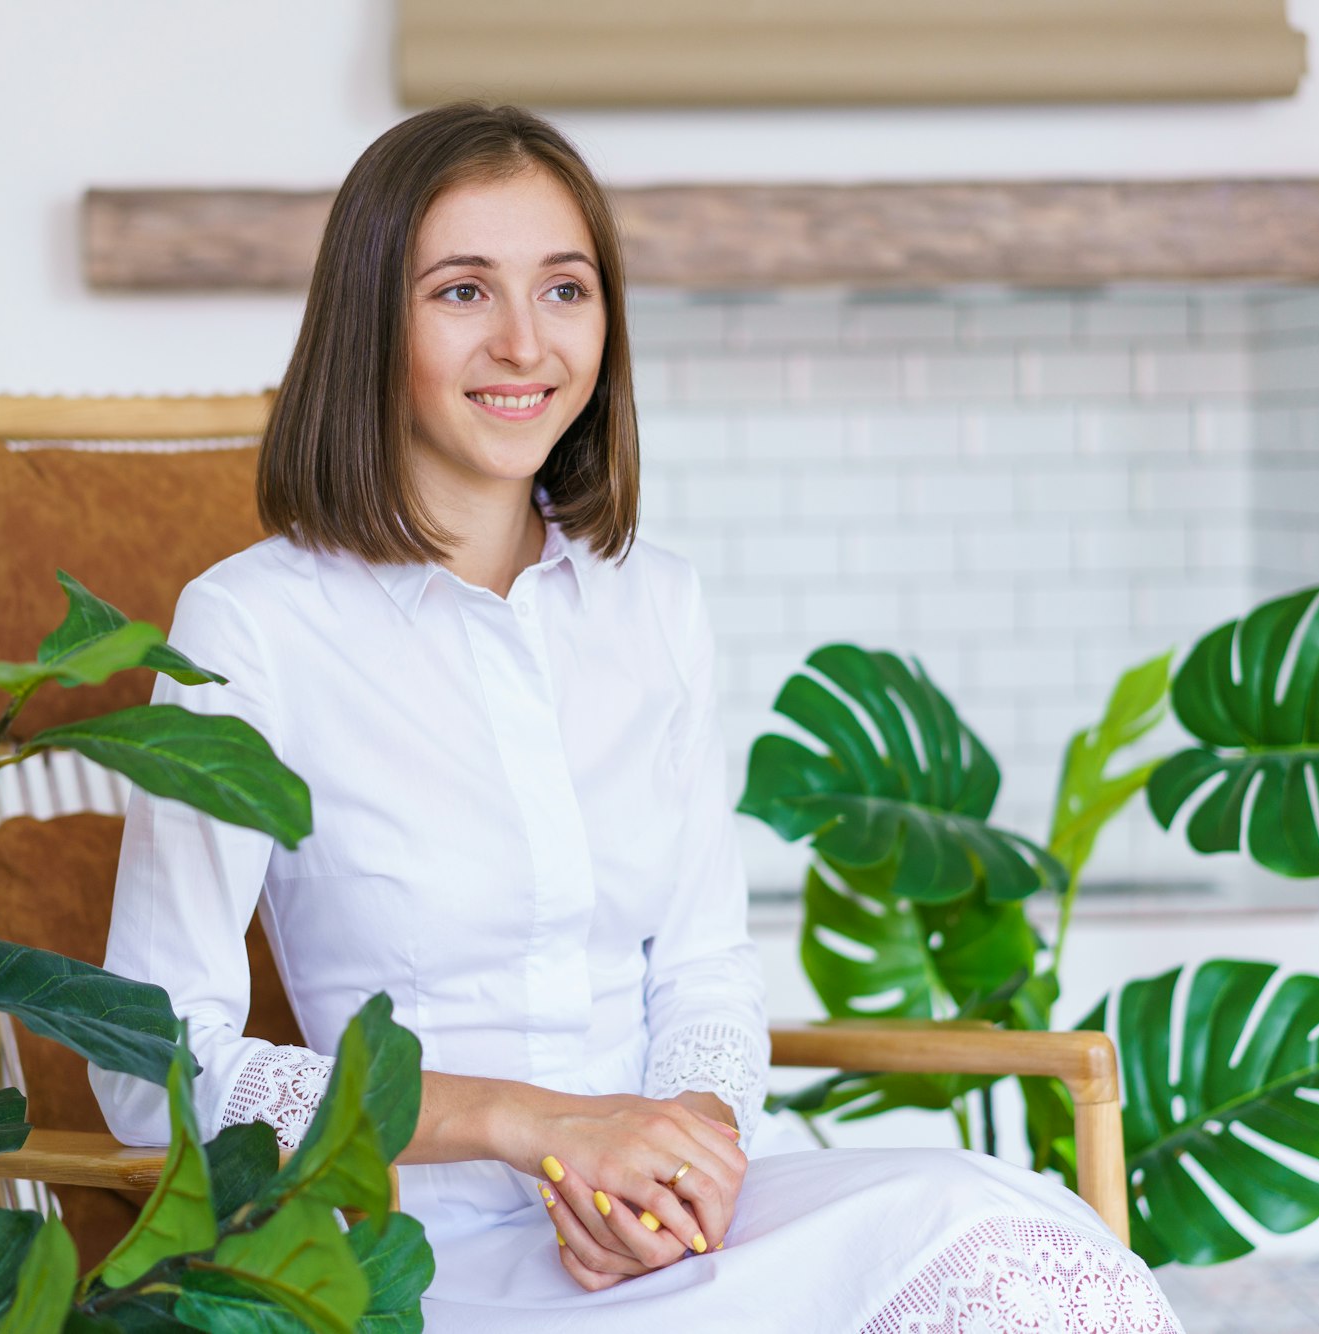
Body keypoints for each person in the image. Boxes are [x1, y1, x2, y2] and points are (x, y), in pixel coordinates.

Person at [92, 102, 1185, 1332]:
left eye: (564, 289)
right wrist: (531, 1124)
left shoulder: (653, 601)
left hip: (686, 1235)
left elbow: (705, 964)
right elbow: (151, 1061)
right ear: (368, 324)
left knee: (1014, 1253)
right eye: (461, 292)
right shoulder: (251, 626)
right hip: (417, 1256)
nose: (523, 343)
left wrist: (687, 1155)